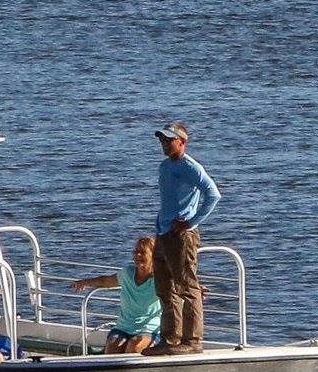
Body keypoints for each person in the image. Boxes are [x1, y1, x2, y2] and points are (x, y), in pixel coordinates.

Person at [142, 122, 221, 356]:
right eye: (162, 141)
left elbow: (213, 194)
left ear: (182, 141)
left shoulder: (190, 167)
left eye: (169, 140)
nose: (164, 144)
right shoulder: (164, 167)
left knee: (188, 288)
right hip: (164, 233)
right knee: (165, 289)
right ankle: (170, 339)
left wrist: (191, 222)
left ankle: (193, 340)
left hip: (182, 235)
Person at [72, 237, 160, 354]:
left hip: (150, 329)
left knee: (135, 344)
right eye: (135, 252)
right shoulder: (128, 273)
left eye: (142, 252)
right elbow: (106, 281)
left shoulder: (160, 279)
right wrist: (84, 282)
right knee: (114, 344)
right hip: (124, 327)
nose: (137, 255)